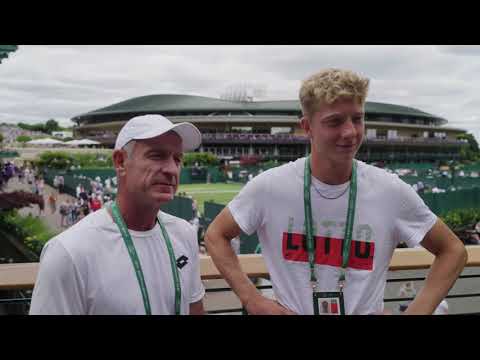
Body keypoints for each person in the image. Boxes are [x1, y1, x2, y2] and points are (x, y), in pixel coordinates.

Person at [205, 68, 467, 315]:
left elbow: (453, 251)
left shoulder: (390, 190)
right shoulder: (270, 186)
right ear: (307, 127)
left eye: (357, 118)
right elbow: (216, 235)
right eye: (335, 122)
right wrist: (251, 299)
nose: (350, 132)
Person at [30, 114, 205, 315]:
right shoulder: (68, 252)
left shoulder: (184, 234)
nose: (171, 169)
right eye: (157, 155)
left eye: (177, 159)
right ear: (120, 161)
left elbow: (195, 309)